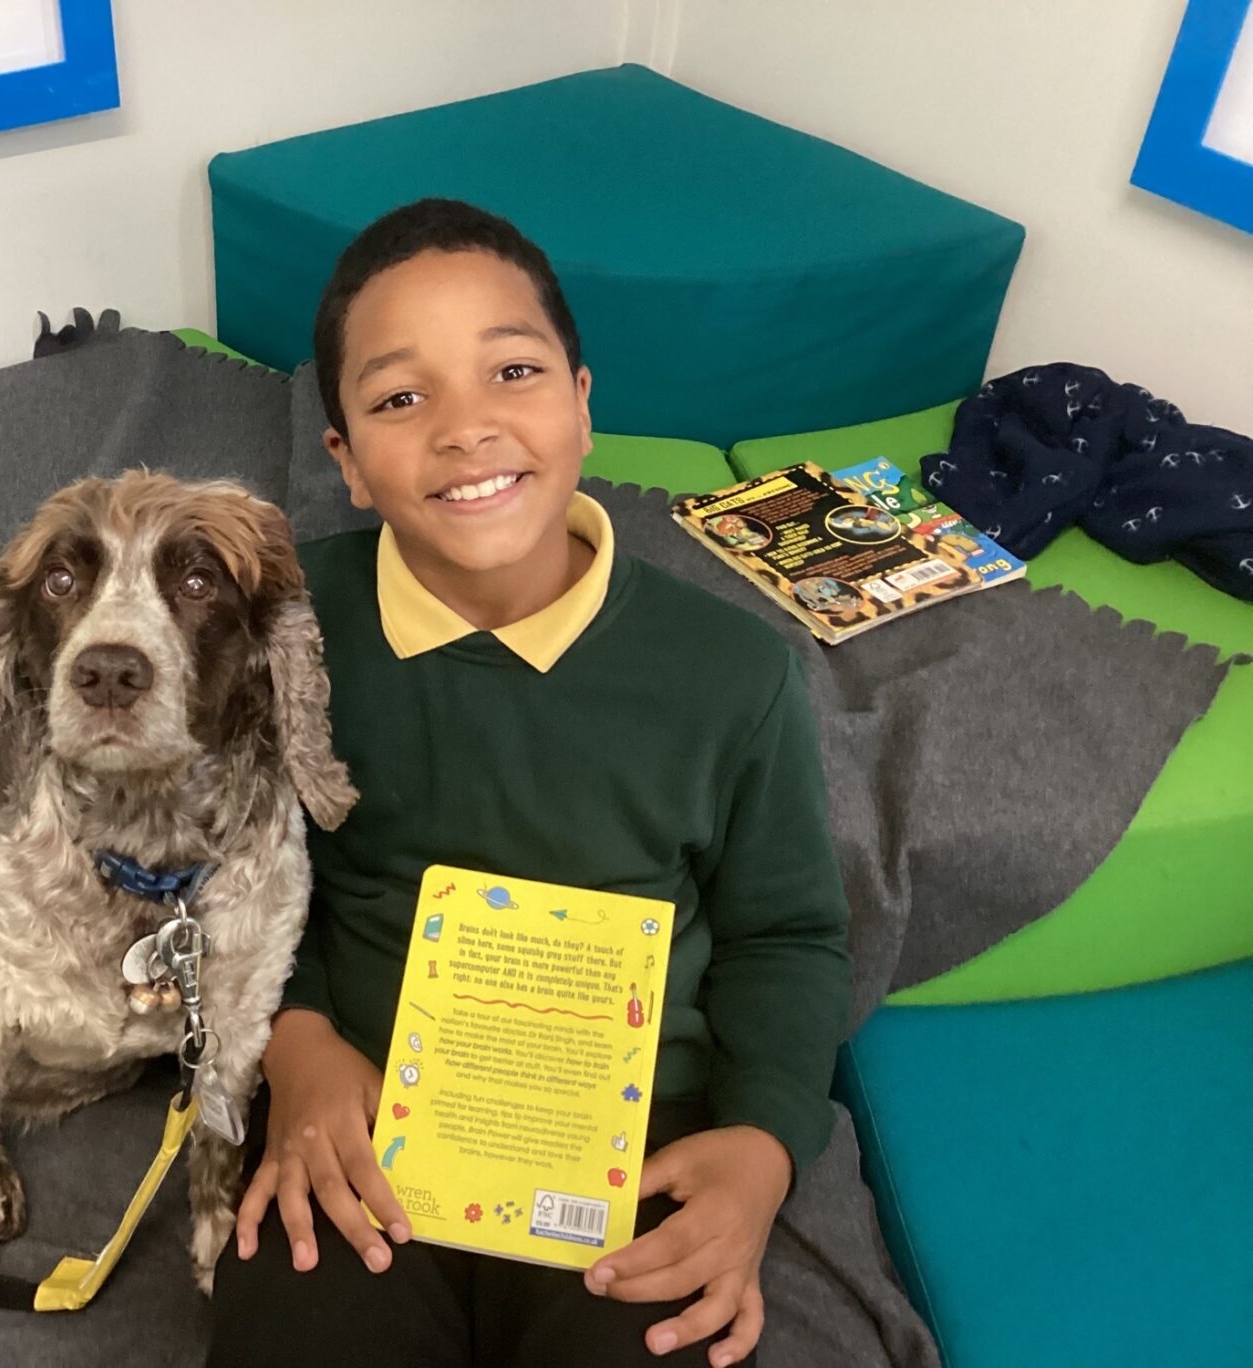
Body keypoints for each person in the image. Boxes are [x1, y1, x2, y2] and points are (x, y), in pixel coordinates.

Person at [206, 199, 852, 1367]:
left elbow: (788, 935)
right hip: (362, 1118)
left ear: (584, 403)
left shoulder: (737, 674)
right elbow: (238, 875)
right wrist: (294, 1047)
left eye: (512, 370)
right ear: (344, 461)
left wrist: (764, 1145)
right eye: (401, 398)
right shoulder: (286, 635)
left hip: (638, 1137)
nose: (466, 429)